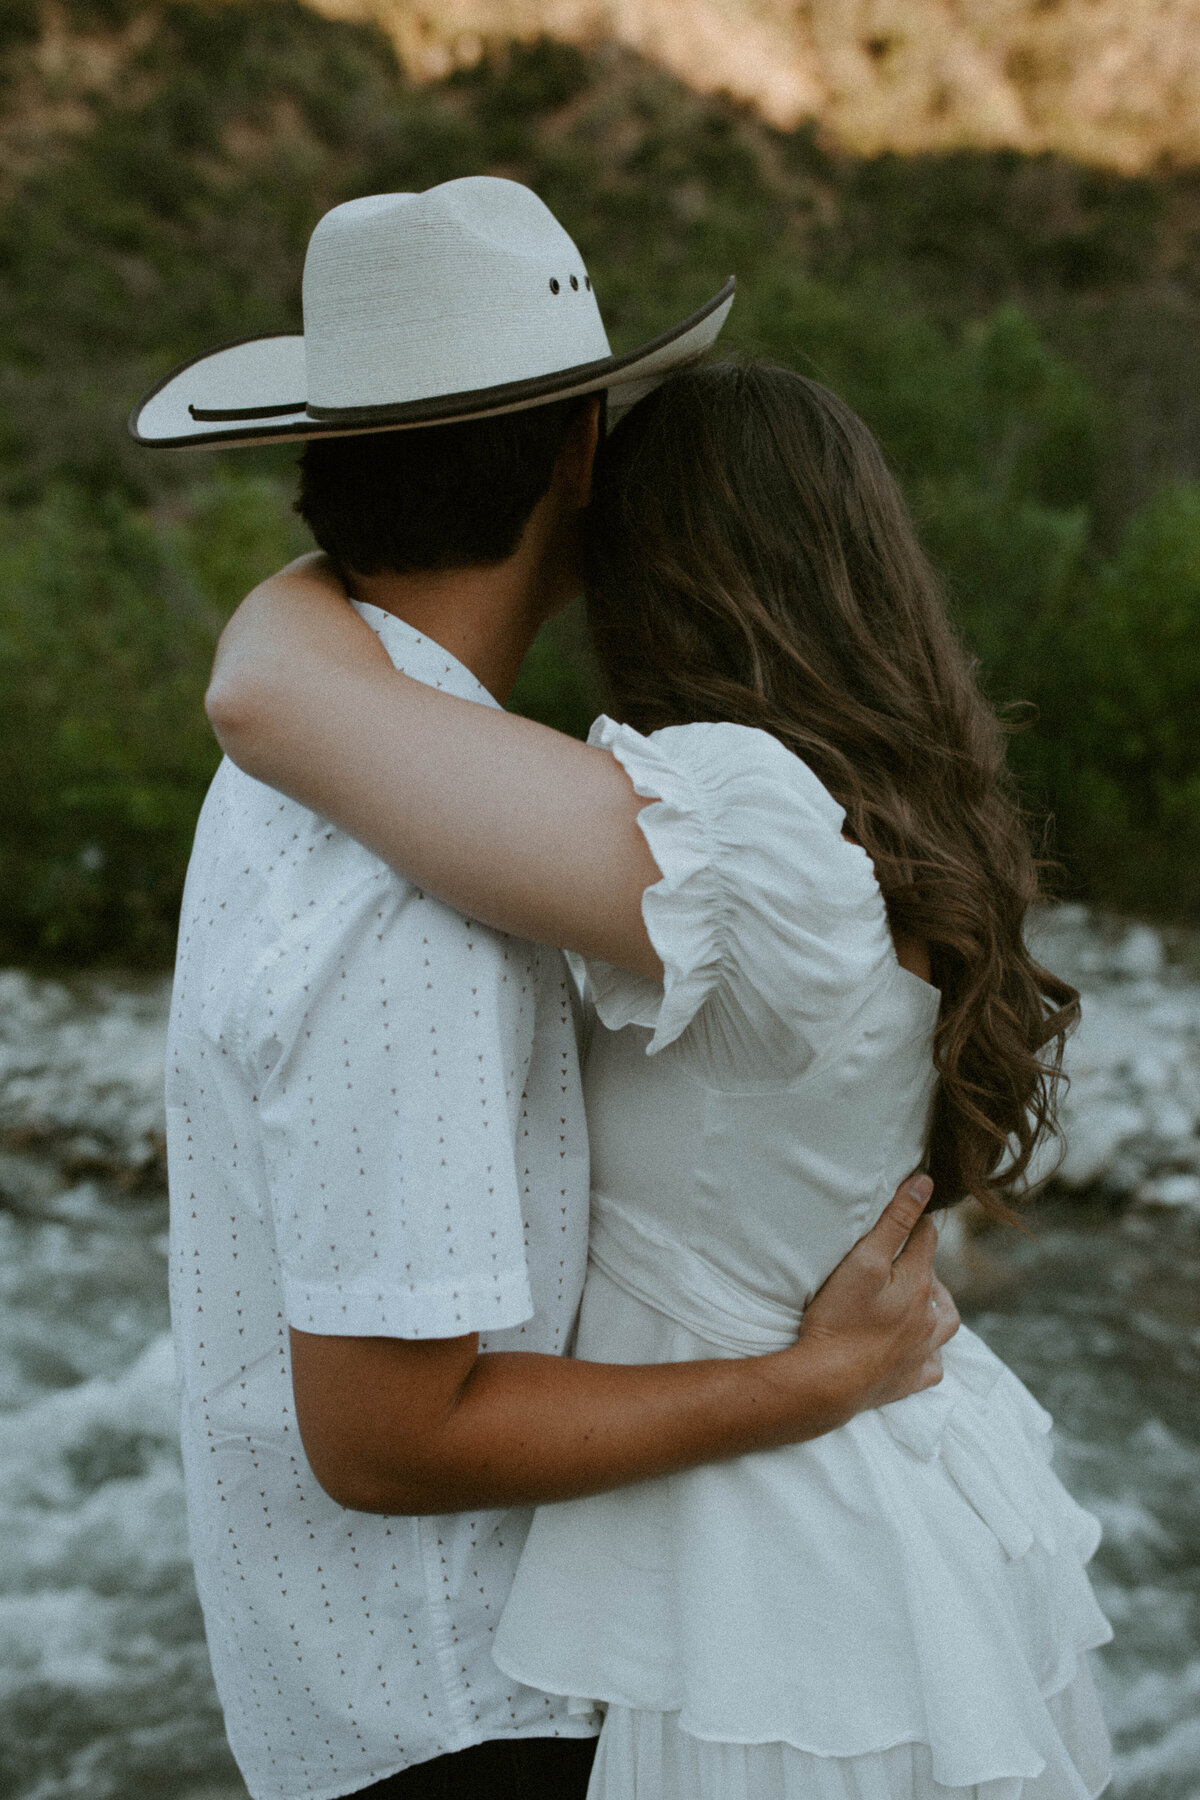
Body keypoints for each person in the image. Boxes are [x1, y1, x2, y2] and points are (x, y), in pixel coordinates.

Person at [134, 179, 958, 1800]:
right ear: (581, 453)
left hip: (380, 1700)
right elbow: (383, 1437)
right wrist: (808, 1381)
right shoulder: (427, 885)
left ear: (315, 460)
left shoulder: (323, 758)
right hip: (464, 1715)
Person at [205, 356, 1115, 1800]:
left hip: (757, 1561)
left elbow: (266, 690)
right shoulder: (859, 830)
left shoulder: (747, 827)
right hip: (850, 1505)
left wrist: (805, 1383)